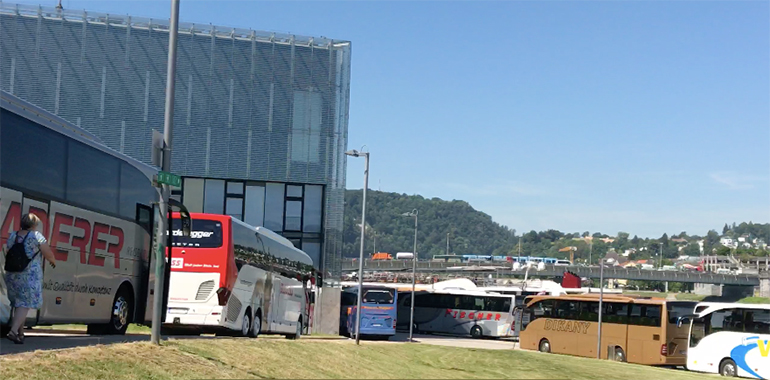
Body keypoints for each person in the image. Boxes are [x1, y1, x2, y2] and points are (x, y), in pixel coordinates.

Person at [3, 213, 56, 344]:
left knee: (18, 303)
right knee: (25, 303)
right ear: (34, 224)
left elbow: (6, 251)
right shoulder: (36, 236)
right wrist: (53, 261)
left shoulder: (13, 236)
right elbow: (47, 253)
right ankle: (13, 331)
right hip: (29, 275)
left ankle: (20, 334)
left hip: (12, 274)